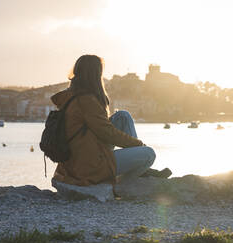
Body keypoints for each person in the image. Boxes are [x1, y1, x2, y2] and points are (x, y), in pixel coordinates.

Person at [50, 54, 156, 191]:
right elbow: (107, 133)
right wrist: (138, 145)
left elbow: (100, 129)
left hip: (80, 159)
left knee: (122, 116)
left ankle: (139, 171)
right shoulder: (86, 100)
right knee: (148, 154)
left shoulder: (71, 96)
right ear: (95, 74)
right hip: (89, 166)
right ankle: (123, 187)